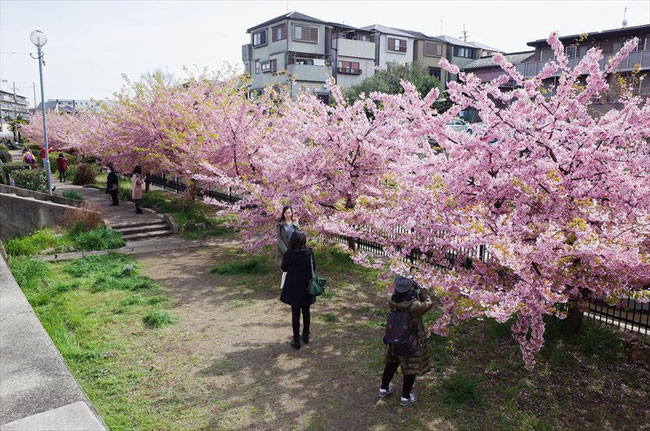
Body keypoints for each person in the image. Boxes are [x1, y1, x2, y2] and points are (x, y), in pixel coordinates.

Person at [379, 276, 433, 407]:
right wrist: (422, 292)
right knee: (410, 367)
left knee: (391, 362)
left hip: (393, 338)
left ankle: (383, 389)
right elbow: (429, 303)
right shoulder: (414, 306)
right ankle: (405, 397)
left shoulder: (391, 299)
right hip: (410, 340)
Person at [280, 231, 315, 350]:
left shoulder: (288, 254)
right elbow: (313, 267)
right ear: (304, 240)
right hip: (306, 286)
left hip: (294, 286)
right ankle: (305, 336)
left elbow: (284, 268)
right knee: (306, 310)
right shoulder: (309, 252)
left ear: (292, 241)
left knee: (295, 313)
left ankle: (296, 340)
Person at [277, 205, 300, 289]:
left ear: (291, 213)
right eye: (286, 212)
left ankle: (292, 286)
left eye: (289, 212)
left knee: (294, 268)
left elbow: (299, 235)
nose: (287, 214)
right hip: (285, 250)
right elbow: (279, 238)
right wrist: (285, 250)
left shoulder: (295, 223)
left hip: (294, 249)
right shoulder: (280, 224)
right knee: (285, 268)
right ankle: (283, 286)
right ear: (283, 214)